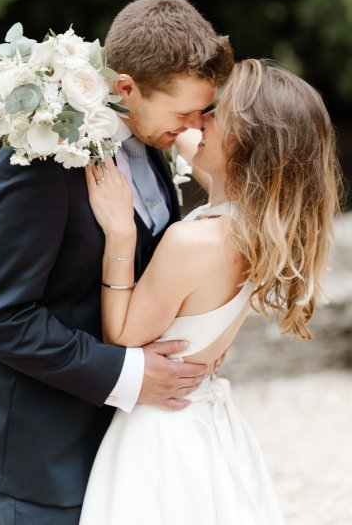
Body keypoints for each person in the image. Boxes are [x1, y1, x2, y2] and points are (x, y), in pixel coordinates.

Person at [0, 0, 234, 525]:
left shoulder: (151, 140)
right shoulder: (39, 160)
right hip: (45, 449)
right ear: (125, 88)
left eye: (203, 109)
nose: (197, 125)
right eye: (184, 112)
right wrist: (128, 373)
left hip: (128, 442)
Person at [80, 58, 341, 524]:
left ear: (248, 143)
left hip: (161, 431)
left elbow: (121, 335)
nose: (200, 118)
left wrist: (120, 237)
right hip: (203, 419)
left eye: (218, 114)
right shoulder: (258, 218)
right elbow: (179, 135)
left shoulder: (195, 242)